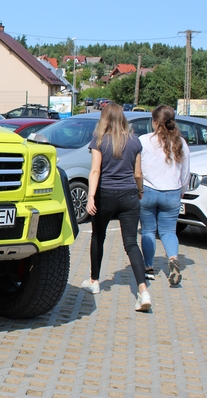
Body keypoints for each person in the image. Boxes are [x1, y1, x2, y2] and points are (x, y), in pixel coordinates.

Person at [81, 103, 151, 312]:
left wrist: (90, 197)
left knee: (97, 237)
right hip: (129, 194)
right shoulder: (134, 141)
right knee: (131, 243)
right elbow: (138, 173)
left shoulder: (99, 140)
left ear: (104, 119)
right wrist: (140, 191)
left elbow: (95, 171)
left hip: (105, 195)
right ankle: (143, 290)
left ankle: (94, 281)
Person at [139, 105, 190, 285]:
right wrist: (181, 190)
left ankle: (148, 268)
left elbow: (137, 169)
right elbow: (185, 173)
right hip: (172, 192)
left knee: (148, 231)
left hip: (148, 191)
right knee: (169, 231)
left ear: (154, 121)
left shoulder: (144, 141)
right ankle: (173, 258)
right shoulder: (181, 143)